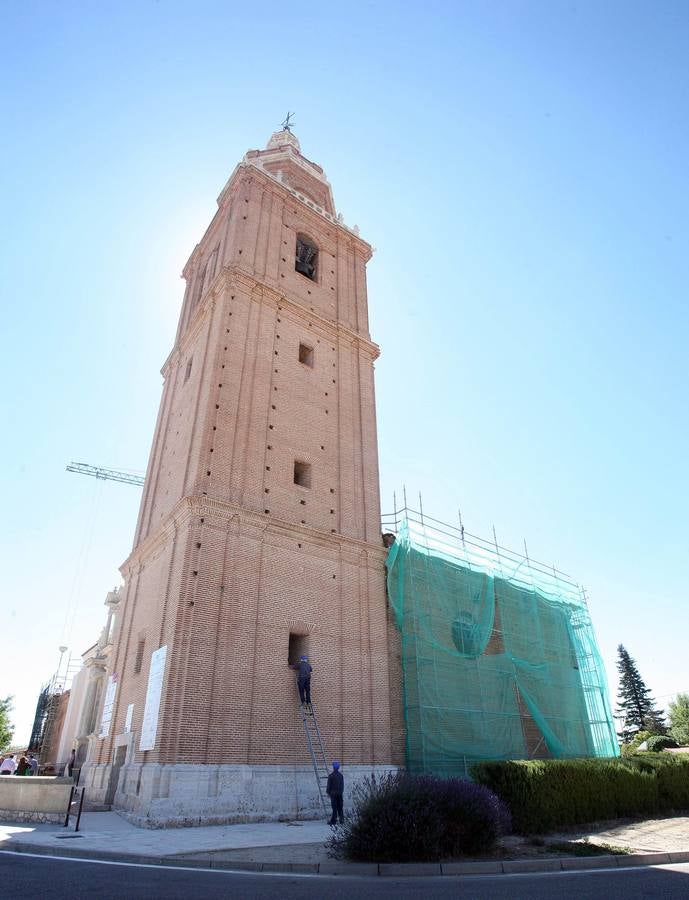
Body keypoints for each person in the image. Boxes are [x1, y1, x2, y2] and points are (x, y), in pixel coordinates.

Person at [326, 760, 344, 826]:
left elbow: (329, 785)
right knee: (340, 807)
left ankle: (333, 821)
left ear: (333, 767)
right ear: (338, 767)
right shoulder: (341, 775)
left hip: (333, 794)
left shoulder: (331, 776)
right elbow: (342, 785)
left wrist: (328, 792)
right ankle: (341, 820)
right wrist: (341, 792)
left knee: (334, 808)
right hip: (340, 793)